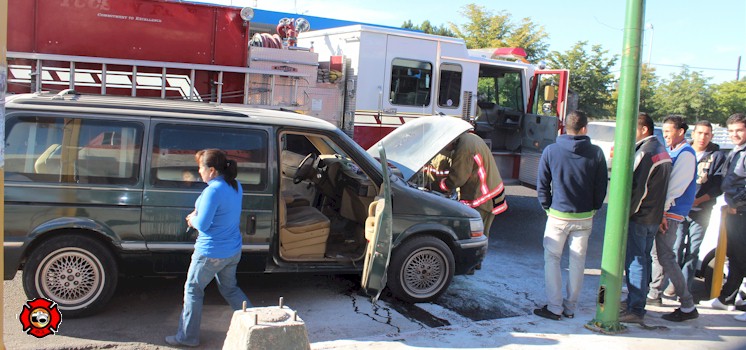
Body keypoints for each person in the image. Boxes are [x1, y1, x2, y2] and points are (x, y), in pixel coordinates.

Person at [166, 149, 251, 347]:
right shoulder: (235, 185)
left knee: (193, 290)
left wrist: (192, 219)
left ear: (211, 170)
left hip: (211, 253)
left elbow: (203, 224)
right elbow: (221, 212)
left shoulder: (212, 190)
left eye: (200, 168)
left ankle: (187, 337)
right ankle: (256, 323)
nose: (199, 172)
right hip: (232, 251)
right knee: (230, 289)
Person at [533, 110, 608, 321]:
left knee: (552, 260)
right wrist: (593, 208)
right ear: (585, 128)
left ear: (565, 127)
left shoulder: (551, 151)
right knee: (577, 262)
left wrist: (547, 207)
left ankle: (554, 307)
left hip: (557, 215)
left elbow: (542, 185)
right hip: (584, 217)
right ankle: (570, 307)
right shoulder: (597, 153)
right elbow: (601, 186)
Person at [619, 112, 672, 324]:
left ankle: (635, 308)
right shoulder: (661, 150)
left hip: (640, 217)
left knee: (635, 261)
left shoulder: (646, 153)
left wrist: (625, 215)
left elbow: (638, 191)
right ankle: (637, 300)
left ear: (643, 129)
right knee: (645, 259)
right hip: (653, 216)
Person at [646, 115, 699, 322]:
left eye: (669, 131)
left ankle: (687, 304)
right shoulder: (674, 151)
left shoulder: (686, 154)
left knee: (666, 256)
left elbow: (676, 187)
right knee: (658, 255)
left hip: (671, 213)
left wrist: (663, 212)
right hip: (667, 211)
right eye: (664, 131)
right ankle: (654, 293)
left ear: (681, 131)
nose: (665, 135)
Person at [665, 121, 725, 297]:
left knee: (693, 250)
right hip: (679, 209)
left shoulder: (717, 156)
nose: (702, 137)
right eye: (700, 133)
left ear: (711, 136)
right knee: (675, 248)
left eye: (707, 134)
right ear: (693, 134)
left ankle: (685, 287)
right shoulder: (684, 151)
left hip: (701, 211)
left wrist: (699, 200)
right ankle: (673, 284)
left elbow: (717, 186)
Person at [701, 113, 746, 319]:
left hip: (742, 210)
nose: (735, 134)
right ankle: (726, 299)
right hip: (733, 210)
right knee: (736, 257)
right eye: (731, 131)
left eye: (739, 130)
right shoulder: (736, 151)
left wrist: (737, 204)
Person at [436, 131, 507, 237]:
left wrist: (442, 185)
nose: (444, 149)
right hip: (489, 194)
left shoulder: (464, 148)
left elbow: (458, 178)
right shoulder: (468, 139)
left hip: (483, 200)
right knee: (479, 235)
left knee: (475, 237)